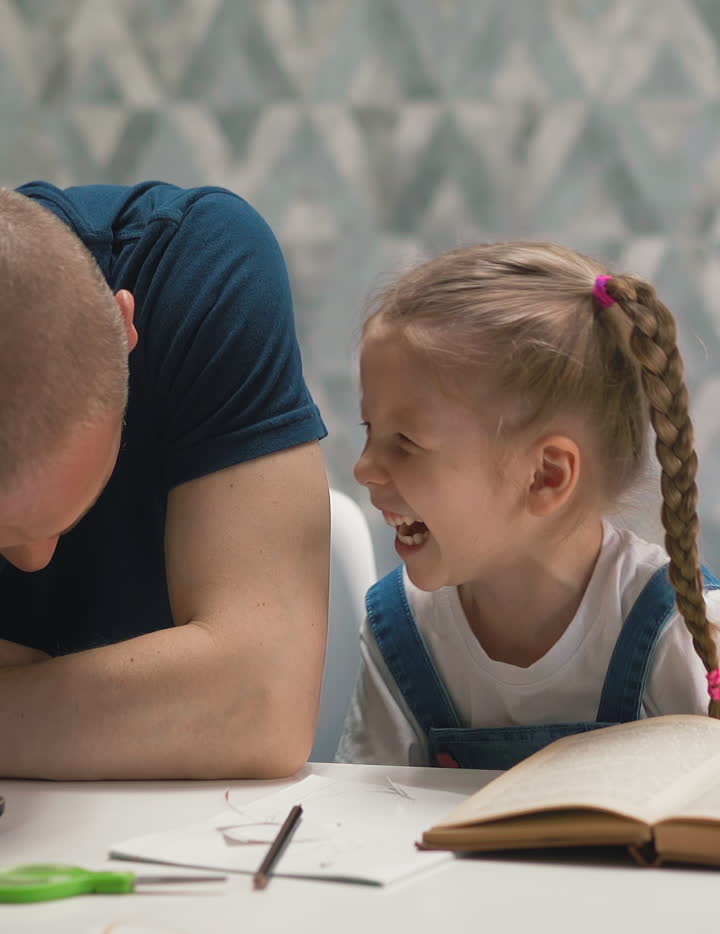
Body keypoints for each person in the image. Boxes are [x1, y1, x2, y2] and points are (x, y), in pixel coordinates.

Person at [337, 243, 720, 768]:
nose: (364, 469)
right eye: (369, 431)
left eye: (404, 441)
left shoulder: (676, 631)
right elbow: (362, 819)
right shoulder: (402, 630)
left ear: (545, 476)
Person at [0, 181, 330, 780]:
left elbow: (261, 702)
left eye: (56, 518)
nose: (33, 560)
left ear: (125, 328)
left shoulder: (193, 263)